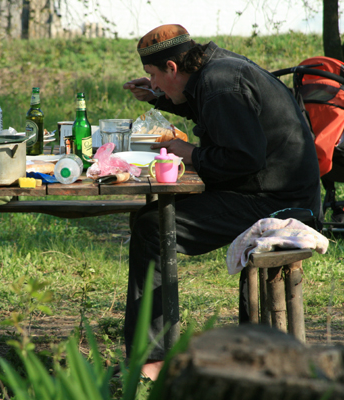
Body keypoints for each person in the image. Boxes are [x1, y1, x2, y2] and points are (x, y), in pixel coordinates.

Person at [122, 24, 322, 380]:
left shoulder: (220, 84)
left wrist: (189, 152)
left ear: (172, 67)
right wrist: (157, 97)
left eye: (154, 75)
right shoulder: (215, 71)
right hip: (268, 188)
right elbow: (211, 112)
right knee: (149, 221)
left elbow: (243, 158)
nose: (153, 82)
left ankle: (153, 361)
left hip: (278, 202)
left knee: (153, 226)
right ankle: (156, 352)